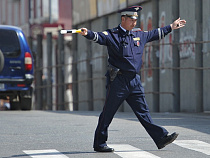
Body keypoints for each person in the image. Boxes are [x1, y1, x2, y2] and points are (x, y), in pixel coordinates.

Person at [79, 6, 186, 152]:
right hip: (118, 81)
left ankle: (161, 138)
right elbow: (99, 37)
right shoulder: (113, 34)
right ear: (123, 19)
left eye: (136, 19)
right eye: (131, 20)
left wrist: (171, 27)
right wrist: (88, 33)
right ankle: (99, 143)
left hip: (134, 81)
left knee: (144, 112)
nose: (134, 22)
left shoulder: (138, 34)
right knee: (108, 113)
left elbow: (155, 33)